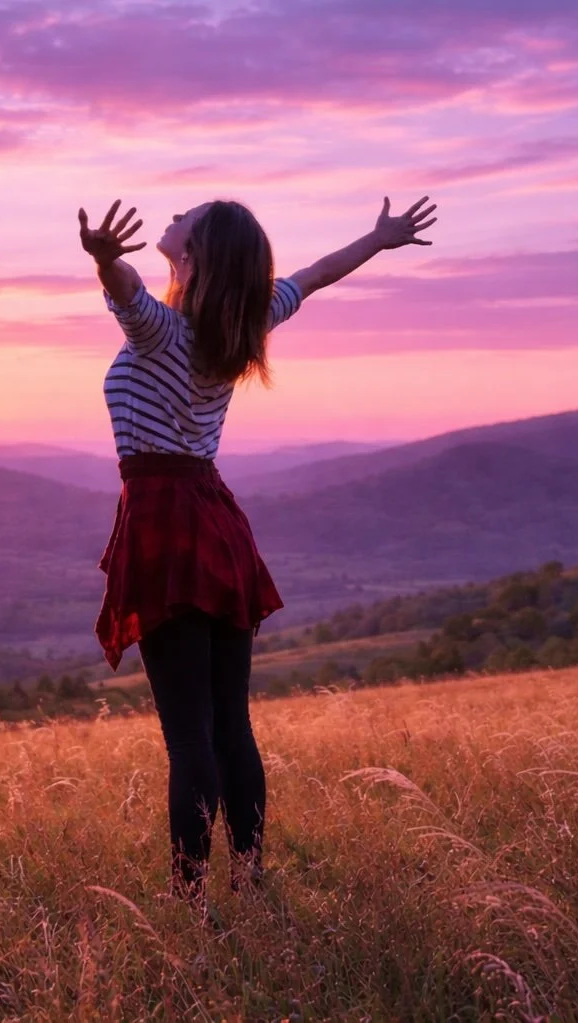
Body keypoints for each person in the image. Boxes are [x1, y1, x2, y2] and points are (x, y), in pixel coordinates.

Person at [78, 194, 437, 901]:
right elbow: (317, 273)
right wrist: (378, 238)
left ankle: (190, 899)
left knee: (189, 737)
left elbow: (126, 290)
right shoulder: (247, 320)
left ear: (196, 252)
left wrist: (104, 261)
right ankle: (250, 882)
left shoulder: (162, 331)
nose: (172, 216)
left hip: (165, 528)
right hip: (217, 524)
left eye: (184, 217)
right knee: (230, 725)